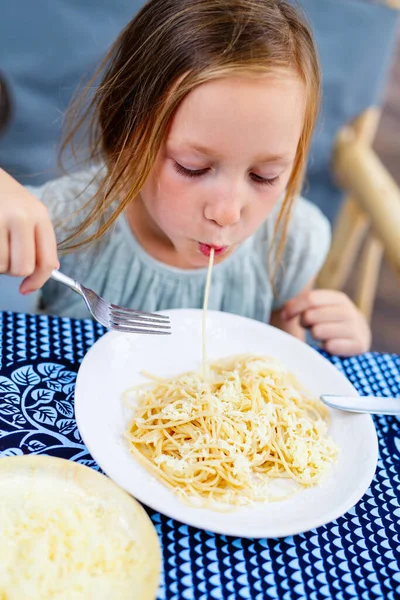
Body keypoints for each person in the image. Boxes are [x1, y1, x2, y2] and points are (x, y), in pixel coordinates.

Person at [0, 0, 370, 357]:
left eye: (264, 176)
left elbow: (283, 358)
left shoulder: (289, 242)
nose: (227, 213)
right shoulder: (67, 220)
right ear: (129, 138)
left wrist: (334, 332)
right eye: (192, 167)